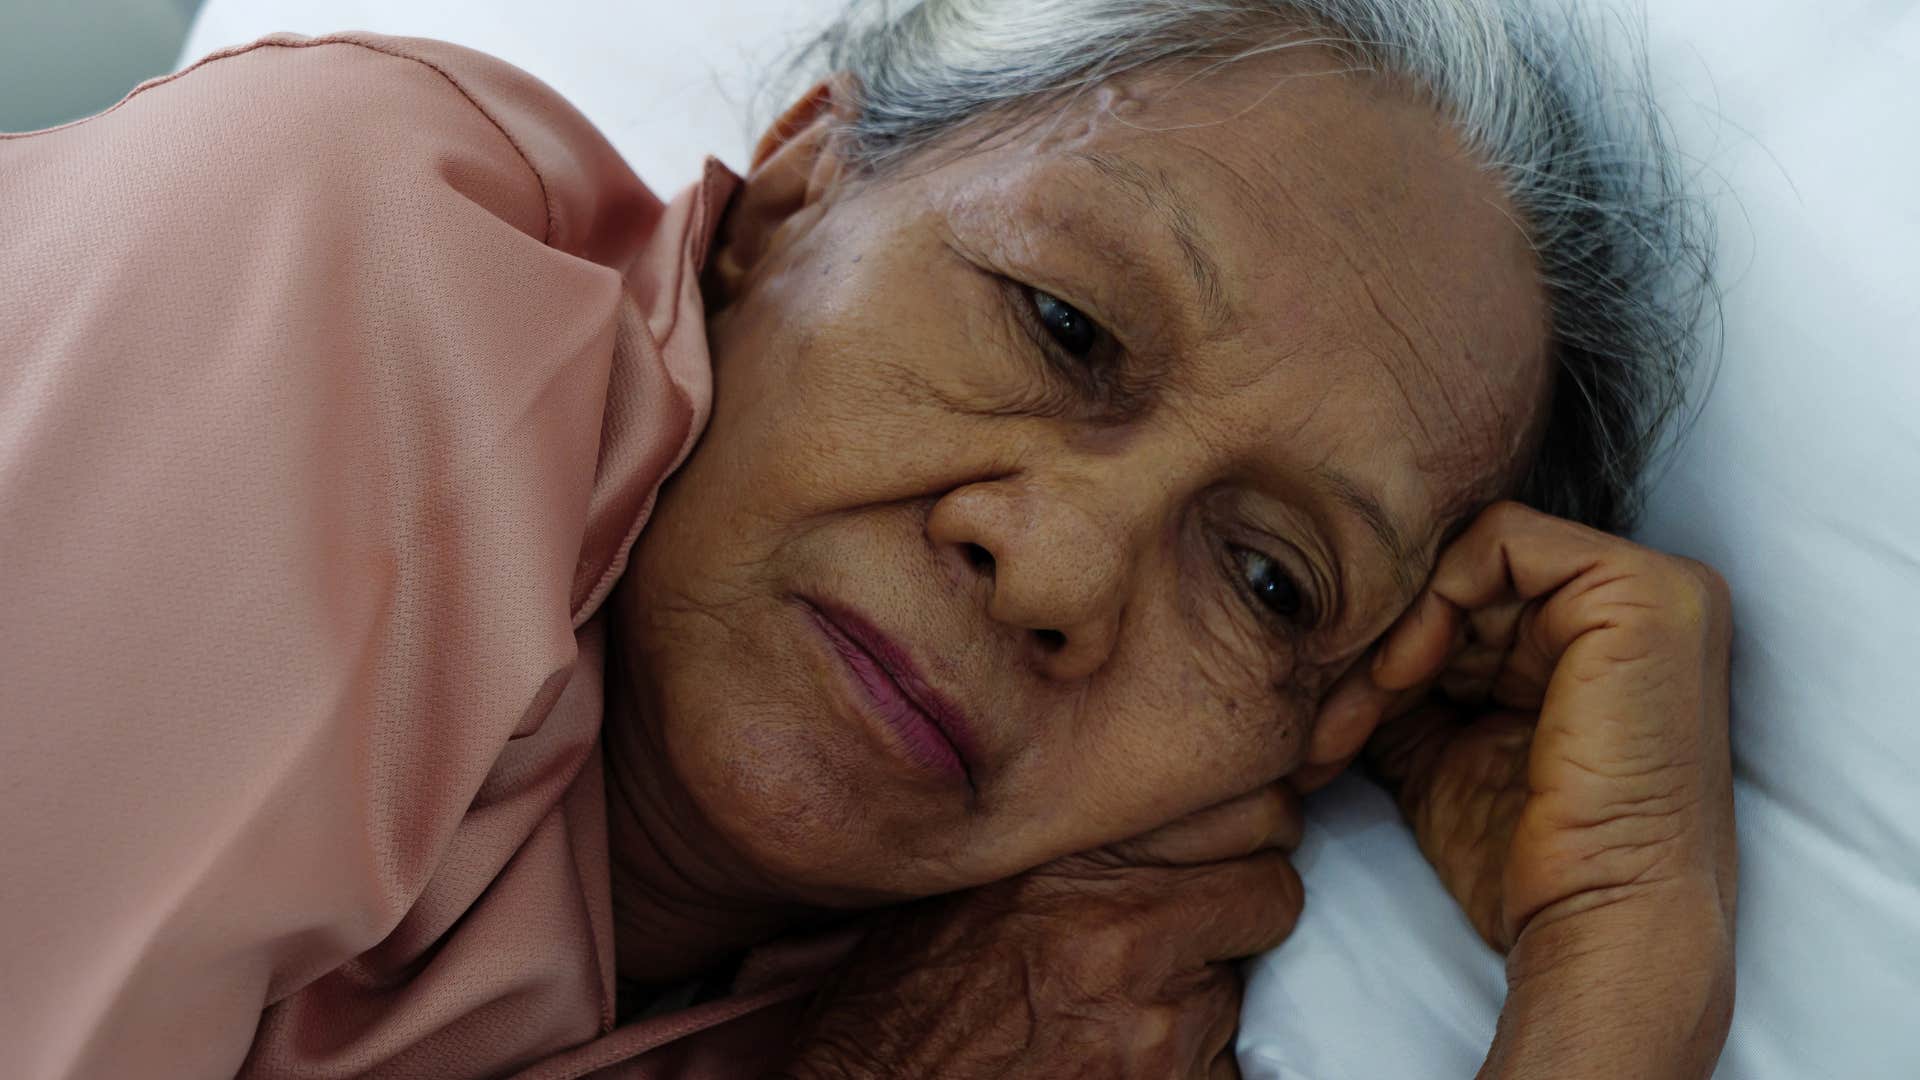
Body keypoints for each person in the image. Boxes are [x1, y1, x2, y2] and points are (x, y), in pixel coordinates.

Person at [0, 1, 1731, 1077]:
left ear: (1328, 727)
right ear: (801, 187)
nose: (1056, 571)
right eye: (1059, 325)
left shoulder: (1041, 1015)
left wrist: (1613, 992)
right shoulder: (359, 267)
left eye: (1272, 579)